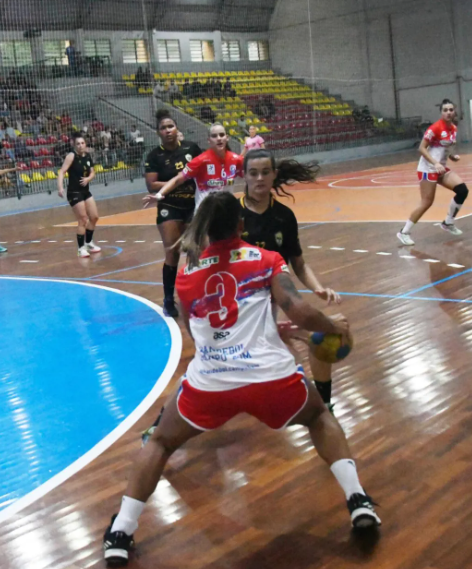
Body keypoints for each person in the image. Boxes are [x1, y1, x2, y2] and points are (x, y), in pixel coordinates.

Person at [102, 192, 380, 566]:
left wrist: (261, 333)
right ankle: (357, 499)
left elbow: (197, 330)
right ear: (241, 225)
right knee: (318, 417)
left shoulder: (186, 273)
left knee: (161, 442)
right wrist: (332, 326)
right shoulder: (267, 260)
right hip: (271, 380)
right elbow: (298, 309)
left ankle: (122, 531)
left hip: (212, 382)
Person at [238, 149, 341, 411]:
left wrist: (318, 289)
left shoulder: (284, 216)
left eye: (265, 172)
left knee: (321, 336)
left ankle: (324, 403)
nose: (259, 178)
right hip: (240, 305)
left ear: (274, 175)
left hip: (277, 299)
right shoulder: (230, 216)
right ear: (244, 176)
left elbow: (299, 263)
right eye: (253, 173)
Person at [143, 109, 203, 317]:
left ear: (177, 129)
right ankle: (169, 299)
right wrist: (180, 179)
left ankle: (193, 295)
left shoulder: (191, 148)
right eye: (163, 128)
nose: (168, 131)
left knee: (195, 252)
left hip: (193, 207)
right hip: (170, 207)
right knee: (172, 251)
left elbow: (205, 168)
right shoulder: (154, 156)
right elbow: (151, 185)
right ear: (158, 132)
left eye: (170, 126)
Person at [397, 98, 469, 246]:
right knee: (427, 202)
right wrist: (435, 163)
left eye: (451, 110)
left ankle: (448, 223)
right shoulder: (435, 128)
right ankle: (403, 232)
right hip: (427, 169)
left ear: (454, 111)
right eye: (445, 110)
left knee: (462, 190)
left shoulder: (453, 129)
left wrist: (451, 156)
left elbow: (447, 148)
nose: (448, 113)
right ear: (441, 112)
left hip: (441, 168)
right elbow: (421, 148)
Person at [143, 123, 242, 211]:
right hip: (205, 214)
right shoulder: (200, 160)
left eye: (222, 135)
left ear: (227, 138)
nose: (219, 138)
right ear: (209, 140)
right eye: (214, 136)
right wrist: (160, 194)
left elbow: (250, 177)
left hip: (227, 211)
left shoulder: (236, 160)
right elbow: (178, 179)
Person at [57, 134, 101, 258]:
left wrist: (88, 179)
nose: (80, 145)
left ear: (85, 144)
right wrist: (60, 187)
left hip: (85, 191)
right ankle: (81, 248)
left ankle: (89, 243)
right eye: (78, 144)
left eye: (82, 143)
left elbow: (93, 172)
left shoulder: (87, 156)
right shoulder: (71, 156)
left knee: (94, 217)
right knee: (83, 219)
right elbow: (62, 171)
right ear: (74, 145)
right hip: (74, 192)